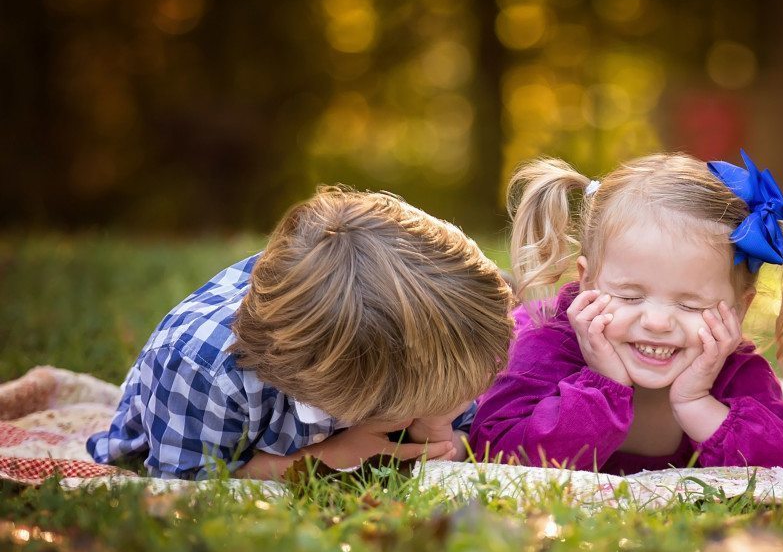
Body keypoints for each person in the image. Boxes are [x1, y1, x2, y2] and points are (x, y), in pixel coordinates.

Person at [88, 186, 513, 480]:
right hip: (204, 435)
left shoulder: (424, 343)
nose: (458, 399)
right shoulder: (204, 369)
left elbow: (458, 424)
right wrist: (327, 459)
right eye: (434, 395)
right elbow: (188, 478)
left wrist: (441, 433)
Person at [469, 151, 783, 475]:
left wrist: (698, 405)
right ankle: (502, 290)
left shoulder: (733, 371)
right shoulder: (544, 341)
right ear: (587, 282)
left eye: (691, 305)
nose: (657, 322)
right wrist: (603, 387)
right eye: (630, 297)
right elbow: (495, 451)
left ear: (739, 309)